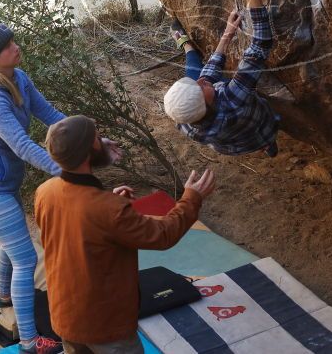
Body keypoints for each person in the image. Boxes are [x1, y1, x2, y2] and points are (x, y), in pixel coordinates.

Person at [35, 115, 216, 354]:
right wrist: (192, 198)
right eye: (97, 137)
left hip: (64, 316)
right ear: (90, 149)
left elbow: (77, 224)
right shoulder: (107, 209)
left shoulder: (45, 192)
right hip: (105, 325)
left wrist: (111, 203)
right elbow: (163, 235)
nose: (102, 139)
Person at [0, 23, 65, 354]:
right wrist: (65, 171)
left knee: (13, 240)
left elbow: (49, 114)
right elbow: (22, 145)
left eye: (13, 41)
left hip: (5, 182)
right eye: (8, 46)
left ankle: (3, 295)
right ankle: (29, 342)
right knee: (26, 257)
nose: (16, 47)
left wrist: (87, 137)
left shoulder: (19, 79)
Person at [163, 0, 280, 157]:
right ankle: (267, 142)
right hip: (259, 126)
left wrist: (227, 34)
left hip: (233, 145)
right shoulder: (233, 98)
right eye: (199, 88)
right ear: (207, 102)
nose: (200, 81)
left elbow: (207, 77)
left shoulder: (185, 122)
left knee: (195, 70)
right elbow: (262, 42)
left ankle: (187, 45)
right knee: (196, 71)